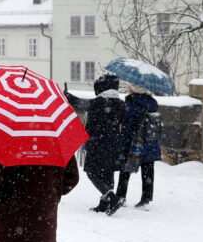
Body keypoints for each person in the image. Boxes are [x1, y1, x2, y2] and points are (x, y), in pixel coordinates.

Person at [64, 74, 125, 211]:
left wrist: (66, 95)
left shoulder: (100, 101)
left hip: (98, 144)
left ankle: (111, 198)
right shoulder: (120, 103)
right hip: (114, 144)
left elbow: (81, 104)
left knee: (91, 172)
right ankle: (105, 204)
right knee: (108, 173)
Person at [108, 84, 161, 214]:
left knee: (125, 168)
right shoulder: (153, 103)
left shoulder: (132, 103)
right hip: (150, 142)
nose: (129, 88)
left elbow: (127, 126)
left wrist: (123, 142)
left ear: (135, 89)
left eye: (132, 87)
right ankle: (146, 199)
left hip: (135, 141)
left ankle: (121, 196)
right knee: (148, 170)